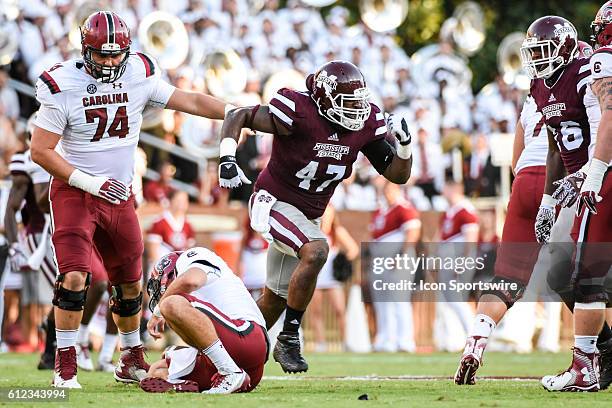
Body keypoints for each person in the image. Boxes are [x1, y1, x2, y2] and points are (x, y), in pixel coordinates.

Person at [30, 11, 231, 388]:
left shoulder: (138, 72)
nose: (109, 62)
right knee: (75, 277)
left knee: (130, 283)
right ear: (85, 50)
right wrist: (90, 183)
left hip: (119, 193)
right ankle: (65, 363)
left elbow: (187, 100)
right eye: (101, 55)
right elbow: (41, 151)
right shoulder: (64, 83)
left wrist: (238, 112)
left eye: (115, 54)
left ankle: (130, 356)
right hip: (75, 190)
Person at [218, 60, 412, 372]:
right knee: (317, 249)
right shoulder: (299, 109)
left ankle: (228, 354)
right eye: (347, 104)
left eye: (358, 103)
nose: (356, 111)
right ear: (324, 99)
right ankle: (290, 338)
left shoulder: (364, 122)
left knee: (276, 298)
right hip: (273, 202)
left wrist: (403, 147)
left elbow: (397, 175)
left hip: (308, 217)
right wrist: (227, 157)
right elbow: (238, 114)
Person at [455, 71, 548, 384]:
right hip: (561, 180)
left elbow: (515, 159)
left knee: (506, 278)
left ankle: (475, 341)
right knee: (585, 277)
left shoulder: (534, 94)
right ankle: (591, 354)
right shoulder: (584, 84)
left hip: (524, 181)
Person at [541, 3, 612, 391]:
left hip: (606, 173)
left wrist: (591, 171)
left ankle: (585, 366)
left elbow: (609, 119)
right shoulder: (544, 86)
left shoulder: (600, 60)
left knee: (584, 274)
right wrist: (549, 201)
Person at [141, 247, 268, 394]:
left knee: (170, 303)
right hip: (248, 370)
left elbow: (190, 281)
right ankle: (186, 383)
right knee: (156, 370)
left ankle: (230, 373)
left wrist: (158, 311)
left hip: (246, 335)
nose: (161, 293)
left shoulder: (193, 257)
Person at [369, 181, 420, 353]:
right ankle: (386, 338)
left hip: (397, 259)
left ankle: (405, 340)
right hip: (380, 261)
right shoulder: (380, 211)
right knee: (382, 301)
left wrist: (402, 255)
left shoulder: (404, 208)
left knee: (399, 299)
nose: (387, 194)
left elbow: (412, 232)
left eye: (390, 190)